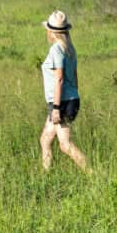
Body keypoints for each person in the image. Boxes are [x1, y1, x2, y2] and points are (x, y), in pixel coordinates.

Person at [39, 11, 89, 172]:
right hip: (70, 98)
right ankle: (45, 175)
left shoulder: (56, 49)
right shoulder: (70, 49)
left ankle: (94, 174)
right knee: (45, 139)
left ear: (51, 31)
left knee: (65, 145)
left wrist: (56, 108)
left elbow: (59, 79)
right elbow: (74, 77)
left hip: (61, 102)